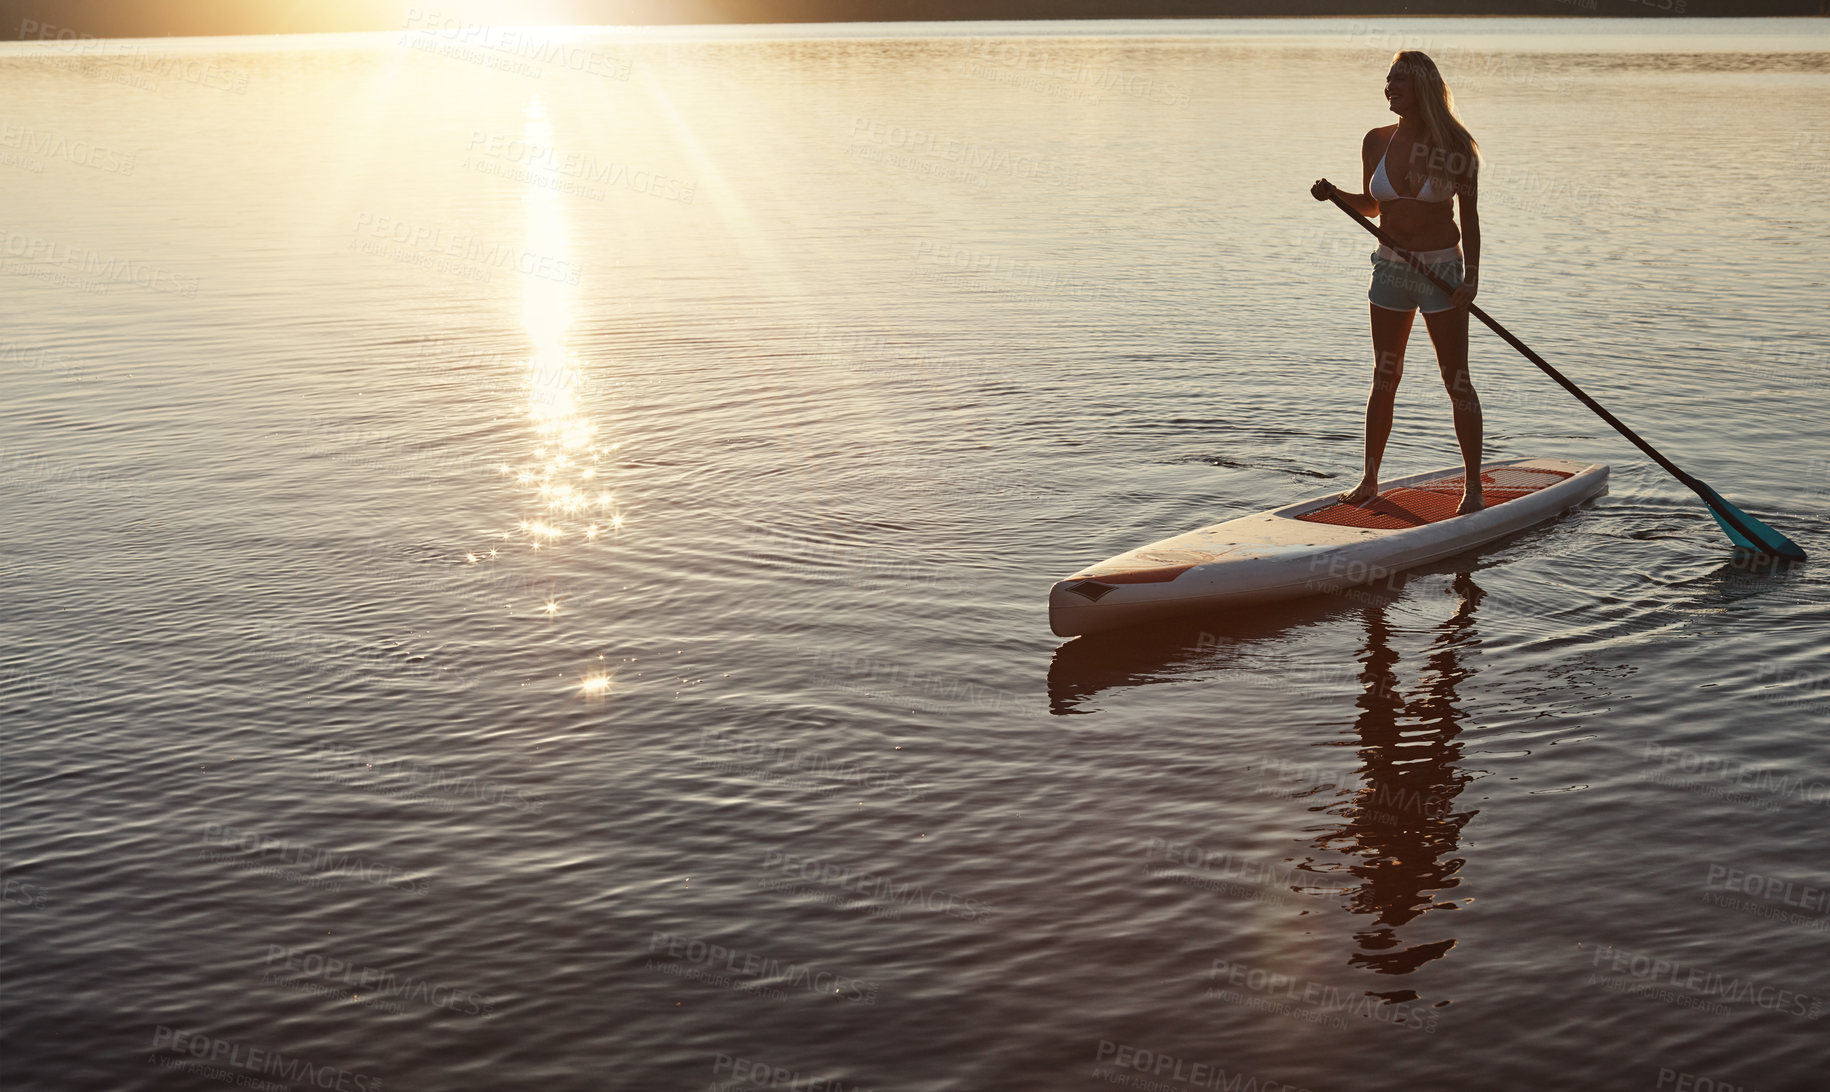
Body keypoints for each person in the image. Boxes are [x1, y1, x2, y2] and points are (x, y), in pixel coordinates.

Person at [1311, 51, 1485, 515]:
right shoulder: (1375, 141)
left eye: (1401, 80)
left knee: (1456, 380)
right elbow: (1372, 206)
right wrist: (1334, 194)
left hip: (1441, 274)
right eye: (1388, 80)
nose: (1390, 87)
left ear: (1424, 85)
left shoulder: (1455, 147)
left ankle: (1473, 487)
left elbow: (1469, 220)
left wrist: (1470, 280)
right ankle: (1370, 479)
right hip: (1389, 270)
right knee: (1384, 375)